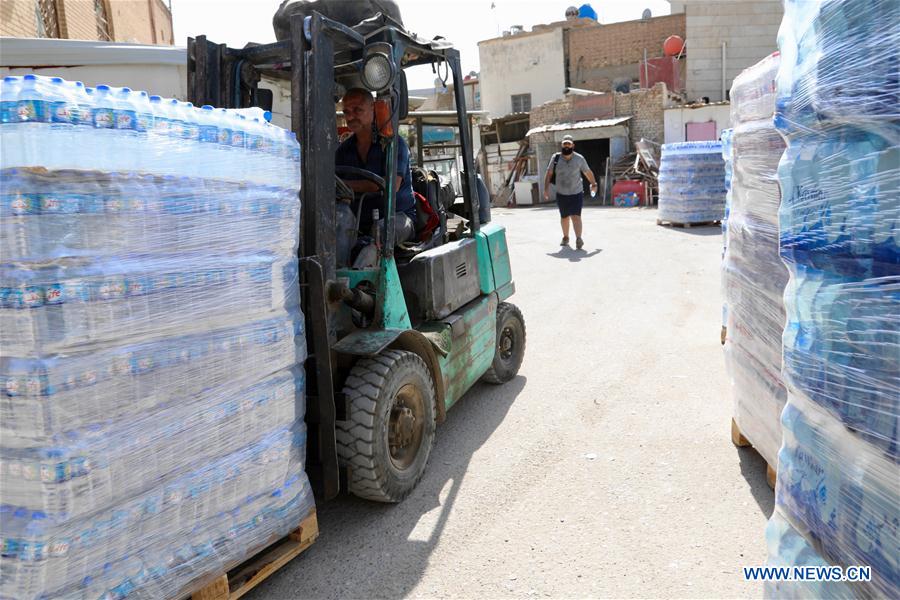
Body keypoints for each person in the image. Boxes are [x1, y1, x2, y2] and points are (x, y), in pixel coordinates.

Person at [335, 87, 416, 244]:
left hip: (397, 217)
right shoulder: (344, 150)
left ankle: (367, 266)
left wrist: (343, 186)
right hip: (359, 220)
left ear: (373, 108)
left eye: (357, 110)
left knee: (380, 233)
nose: (350, 117)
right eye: (346, 112)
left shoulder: (394, 144)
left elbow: (391, 184)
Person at [543, 135, 598, 249]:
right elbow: (549, 174)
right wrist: (546, 189)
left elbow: (587, 172)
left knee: (576, 216)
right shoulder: (556, 158)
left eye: (569, 144)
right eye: (564, 144)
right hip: (561, 193)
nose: (566, 146)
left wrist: (594, 184)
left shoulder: (579, 158)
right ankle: (566, 237)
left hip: (576, 192)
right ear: (561, 145)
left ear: (573, 145)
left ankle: (579, 239)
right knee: (564, 217)